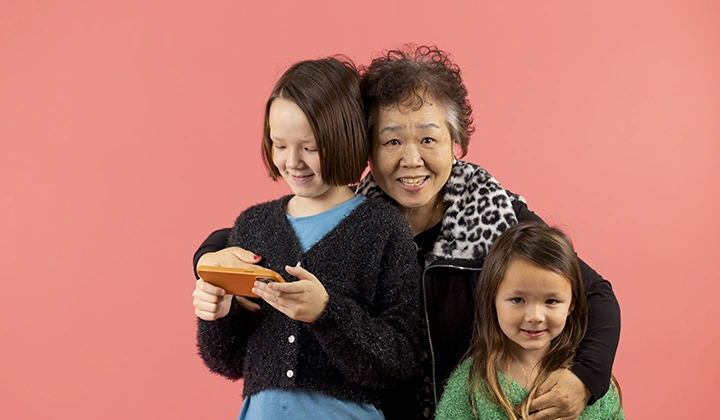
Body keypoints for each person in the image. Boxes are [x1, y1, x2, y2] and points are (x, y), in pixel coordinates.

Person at [193, 45, 620, 420]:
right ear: (364, 146)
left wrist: (585, 378)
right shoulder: (349, 213)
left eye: (430, 140)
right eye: (392, 141)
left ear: (456, 142)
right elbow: (245, 241)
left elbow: (593, 293)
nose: (411, 160)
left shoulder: (499, 216)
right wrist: (207, 263)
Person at [192, 57, 422, 420]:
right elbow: (225, 361)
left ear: (346, 138)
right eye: (279, 144)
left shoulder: (382, 228)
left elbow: (401, 362)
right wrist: (218, 315)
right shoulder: (253, 225)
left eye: (310, 147)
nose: (292, 161)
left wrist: (327, 313)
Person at [434, 222, 623, 419]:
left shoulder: (590, 381)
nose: (534, 317)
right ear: (492, 299)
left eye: (551, 301)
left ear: (572, 304)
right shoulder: (469, 386)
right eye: (517, 300)